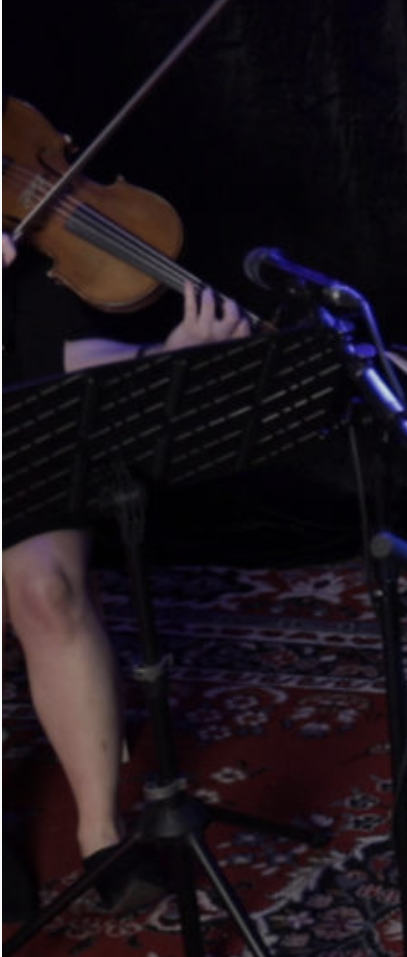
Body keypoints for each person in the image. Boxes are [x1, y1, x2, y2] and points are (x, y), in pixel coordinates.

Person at [3, 230, 252, 916]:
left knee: (46, 591)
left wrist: (163, 357)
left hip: (13, 445)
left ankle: (102, 834)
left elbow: (53, 360)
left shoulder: (24, 233)